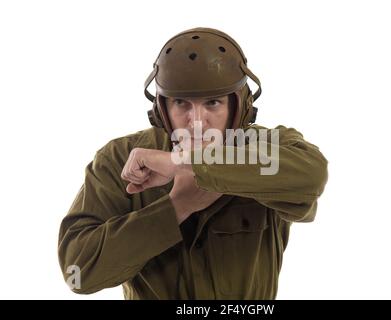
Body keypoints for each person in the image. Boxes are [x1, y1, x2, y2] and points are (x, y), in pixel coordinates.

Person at [57, 27, 328, 299]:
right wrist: (178, 207)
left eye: (213, 102)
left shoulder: (266, 149)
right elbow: (77, 272)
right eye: (181, 103)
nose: (197, 122)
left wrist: (187, 163)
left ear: (239, 107)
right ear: (162, 109)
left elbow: (311, 174)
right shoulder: (120, 159)